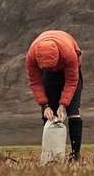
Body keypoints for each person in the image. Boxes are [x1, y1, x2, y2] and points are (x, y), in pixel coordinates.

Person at [26, 29, 83, 160]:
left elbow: (71, 81)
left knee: (73, 112)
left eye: (52, 67)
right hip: (49, 77)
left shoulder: (69, 54)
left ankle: (75, 154)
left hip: (70, 72)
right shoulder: (31, 56)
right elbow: (35, 82)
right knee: (50, 114)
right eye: (47, 68)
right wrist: (44, 106)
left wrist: (63, 105)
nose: (51, 70)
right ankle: (50, 154)